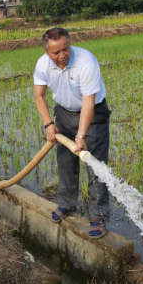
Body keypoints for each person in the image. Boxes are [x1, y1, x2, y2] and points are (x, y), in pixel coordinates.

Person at [33, 28, 111, 239]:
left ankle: (99, 216)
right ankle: (66, 203)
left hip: (93, 115)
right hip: (64, 113)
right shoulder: (42, 64)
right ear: (47, 52)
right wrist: (48, 123)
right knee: (65, 161)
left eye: (65, 49)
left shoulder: (86, 62)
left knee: (95, 165)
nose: (62, 55)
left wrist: (81, 136)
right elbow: (39, 95)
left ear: (70, 44)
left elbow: (88, 104)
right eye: (55, 52)